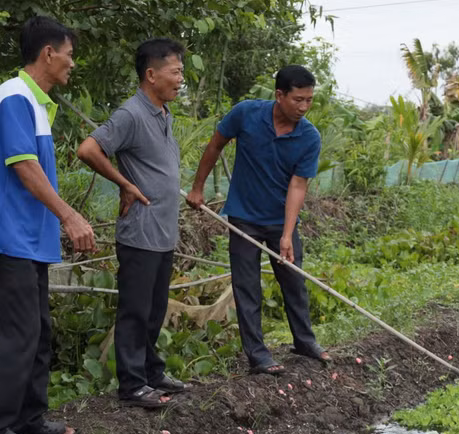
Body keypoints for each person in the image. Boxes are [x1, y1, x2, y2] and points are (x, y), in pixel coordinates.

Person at [0, 16, 95, 434]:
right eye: (70, 54)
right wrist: (69, 215)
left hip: (30, 238)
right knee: (17, 335)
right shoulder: (15, 96)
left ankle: (28, 419)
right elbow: (23, 165)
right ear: (49, 53)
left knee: (38, 332)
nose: (72, 63)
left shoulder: (35, 103)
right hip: (10, 235)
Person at [187, 65, 328, 376]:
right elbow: (215, 145)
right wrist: (197, 187)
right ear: (279, 96)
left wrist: (287, 235)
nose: (304, 107)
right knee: (247, 287)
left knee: (293, 280)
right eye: (298, 100)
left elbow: (298, 185)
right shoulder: (246, 114)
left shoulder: (309, 137)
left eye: (309, 100)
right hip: (244, 217)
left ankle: (305, 341)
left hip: (281, 220)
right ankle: (258, 355)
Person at [78, 39, 188, 408]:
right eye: (175, 72)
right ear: (151, 74)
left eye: (181, 72)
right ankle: (132, 384)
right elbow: (88, 149)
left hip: (163, 232)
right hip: (140, 231)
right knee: (135, 309)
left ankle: (152, 371)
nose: (180, 79)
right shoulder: (131, 114)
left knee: (155, 308)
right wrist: (124, 183)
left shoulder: (163, 114)